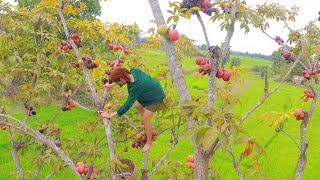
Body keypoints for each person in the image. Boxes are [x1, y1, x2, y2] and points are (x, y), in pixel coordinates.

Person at [100, 67, 165, 153]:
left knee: (145, 119)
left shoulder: (135, 87)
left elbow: (127, 105)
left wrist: (110, 115)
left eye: (118, 81)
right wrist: (111, 85)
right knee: (138, 107)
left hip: (156, 98)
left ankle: (149, 142)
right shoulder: (133, 71)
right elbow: (123, 78)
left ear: (121, 79)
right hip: (152, 89)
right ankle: (146, 125)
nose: (118, 83)